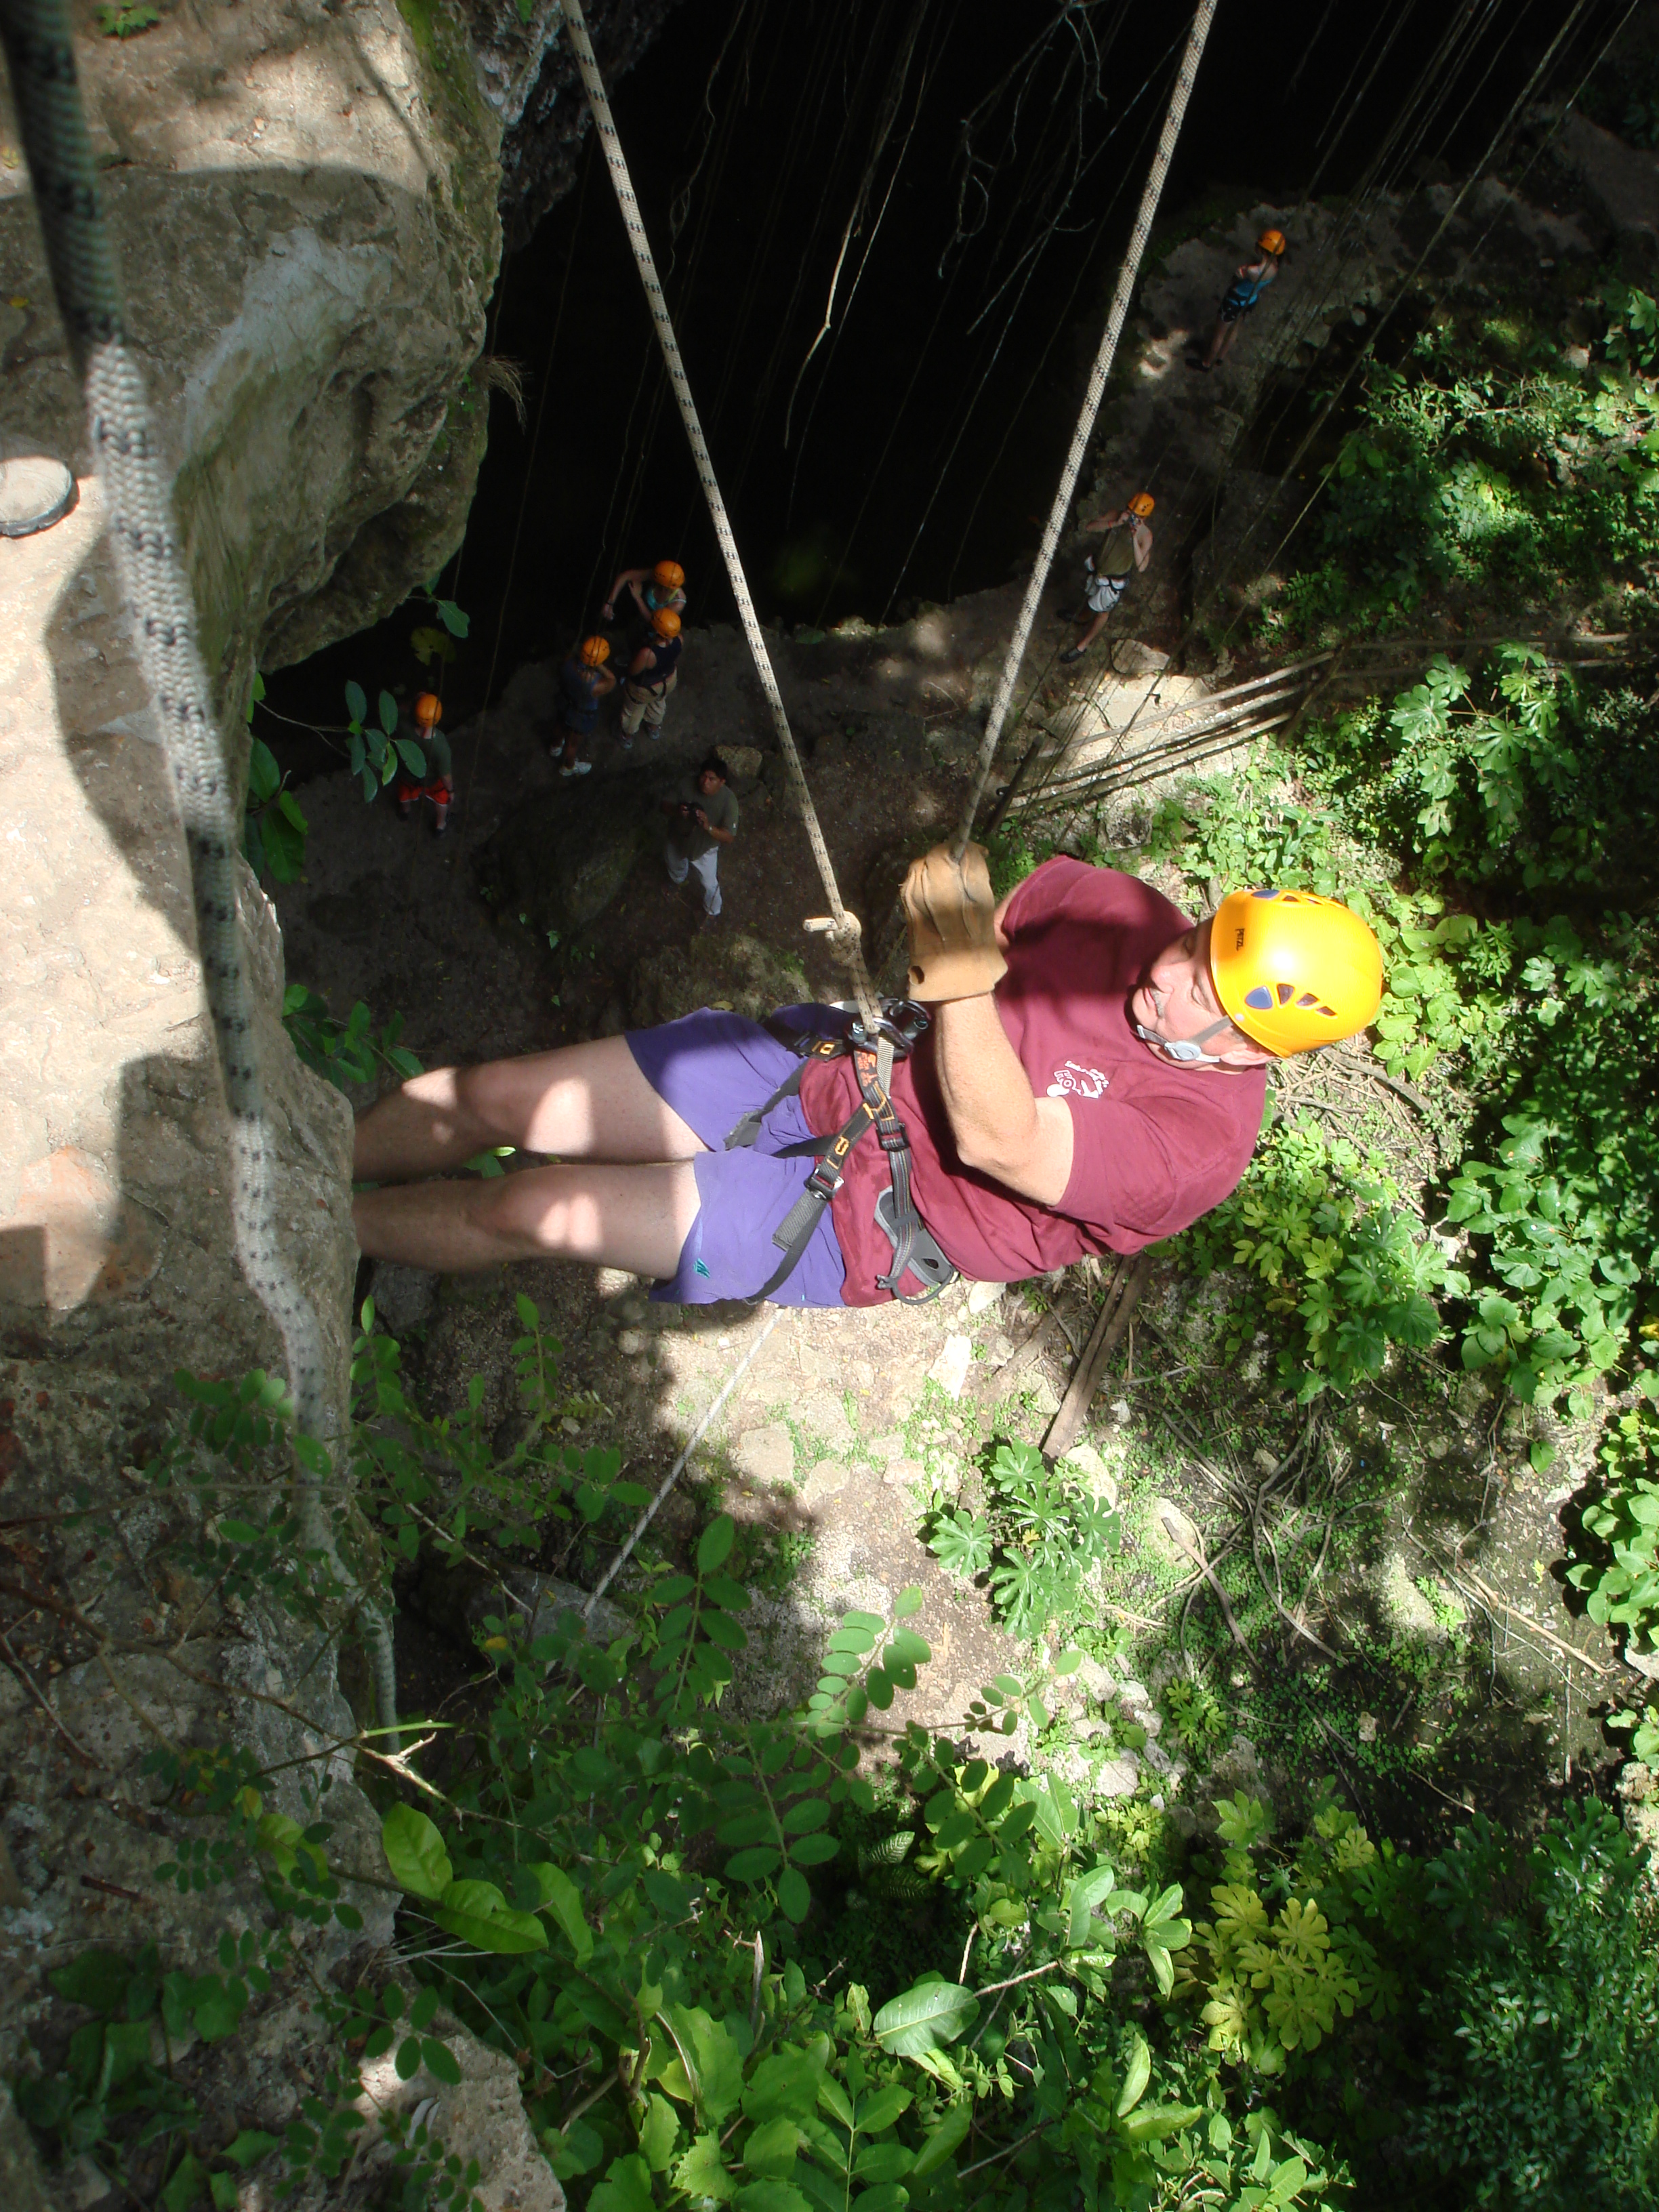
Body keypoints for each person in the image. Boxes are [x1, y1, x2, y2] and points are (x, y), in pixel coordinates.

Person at [351, 851, 1384, 1313]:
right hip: (830, 1068)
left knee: (532, 1208)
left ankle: (324, 1226)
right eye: (1197, 940)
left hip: (872, 1221)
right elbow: (992, 930)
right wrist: (950, 939)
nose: (1167, 967)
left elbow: (1002, 1141)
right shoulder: (1113, 907)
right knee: (499, 1099)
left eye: (1202, 989)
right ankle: (322, 1152)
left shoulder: (1194, 1147)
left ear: (1253, 1050)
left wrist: (964, 983)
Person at [1059, 495, 1153, 665]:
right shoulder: (1115, 515)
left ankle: (1083, 645)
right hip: (1099, 567)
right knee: (1090, 594)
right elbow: (1090, 527)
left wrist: (1134, 537)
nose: (1130, 517)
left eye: (1136, 515)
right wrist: (1114, 523)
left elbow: (1141, 566)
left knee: (1103, 612)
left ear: (1144, 518)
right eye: (1129, 511)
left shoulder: (1145, 536)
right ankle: (1083, 616)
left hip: (1114, 579)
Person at [662, 749, 738, 919]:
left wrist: (708, 827)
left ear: (722, 782)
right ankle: (677, 880)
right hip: (678, 839)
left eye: (712, 779)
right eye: (703, 776)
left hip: (705, 848)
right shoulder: (685, 785)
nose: (705, 782)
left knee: (710, 884)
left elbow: (729, 837)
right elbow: (664, 805)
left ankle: (713, 911)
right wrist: (677, 810)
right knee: (674, 864)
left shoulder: (729, 801)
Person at [1197, 228, 1286, 371]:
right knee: (1234, 329)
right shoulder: (1274, 268)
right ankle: (1220, 357)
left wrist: (1242, 271)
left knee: (1219, 334)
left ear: (1263, 249)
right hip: (1250, 300)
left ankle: (1206, 363)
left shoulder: (1252, 271)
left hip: (1234, 300)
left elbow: (1237, 277)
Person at [619, 607, 683, 745]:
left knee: (634, 710)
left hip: (647, 687)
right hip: (668, 680)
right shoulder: (679, 639)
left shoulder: (648, 654)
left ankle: (627, 737)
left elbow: (633, 671)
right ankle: (653, 728)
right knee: (659, 703)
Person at [554, 636, 617, 779]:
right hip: (580, 714)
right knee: (572, 743)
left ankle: (555, 746)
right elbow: (612, 680)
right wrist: (598, 664)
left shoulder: (568, 661)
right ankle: (568, 767)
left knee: (559, 724)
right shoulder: (594, 684)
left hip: (564, 701)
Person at [393, 693, 454, 835]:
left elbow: (395, 709)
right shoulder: (441, 746)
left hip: (408, 775)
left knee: (405, 793)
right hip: (431, 780)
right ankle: (440, 825)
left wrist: (413, 702)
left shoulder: (403, 725)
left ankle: (404, 812)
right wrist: (451, 791)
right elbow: (446, 776)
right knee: (442, 798)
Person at [600, 558, 687, 630]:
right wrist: (610, 603)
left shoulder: (678, 602)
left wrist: (638, 597)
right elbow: (626, 576)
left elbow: (653, 622)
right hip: (638, 618)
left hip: (654, 632)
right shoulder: (658, 576)